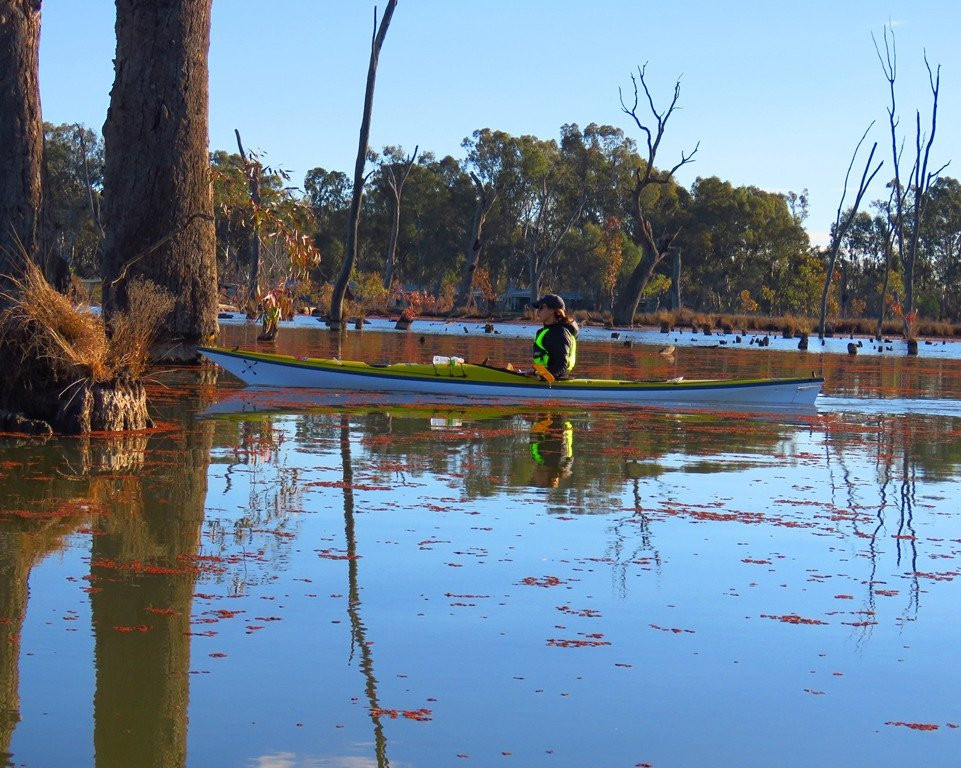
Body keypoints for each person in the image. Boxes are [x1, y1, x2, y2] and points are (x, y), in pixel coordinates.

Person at [531, 294, 579, 379]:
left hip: (554, 381)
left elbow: (561, 366)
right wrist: (534, 373)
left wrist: (538, 374)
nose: (538, 311)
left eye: (541, 307)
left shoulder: (560, 333)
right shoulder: (544, 332)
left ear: (552, 310)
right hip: (545, 378)